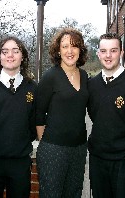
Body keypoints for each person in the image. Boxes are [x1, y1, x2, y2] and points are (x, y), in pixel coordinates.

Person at [87, 32, 125, 198]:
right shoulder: (91, 85)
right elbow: (95, 115)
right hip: (98, 159)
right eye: (103, 51)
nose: (108, 55)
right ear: (98, 53)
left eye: (113, 50)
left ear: (121, 53)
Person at [0, 36, 37, 198]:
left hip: (20, 162)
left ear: (22, 56)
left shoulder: (33, 88)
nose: (10, 55)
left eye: (15, 51)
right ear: (0, 57)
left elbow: (34, 124)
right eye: (5, 52)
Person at [36, 27, 89, 197]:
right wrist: (45, 144)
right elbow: (38, 114)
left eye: (74, 46)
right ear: (58, 51)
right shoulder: (50, 77)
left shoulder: (85, 76)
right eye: (65, 46)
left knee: (73, 193)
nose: (69, 51)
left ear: (80, 50)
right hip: (54, 149)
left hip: (79, 148)